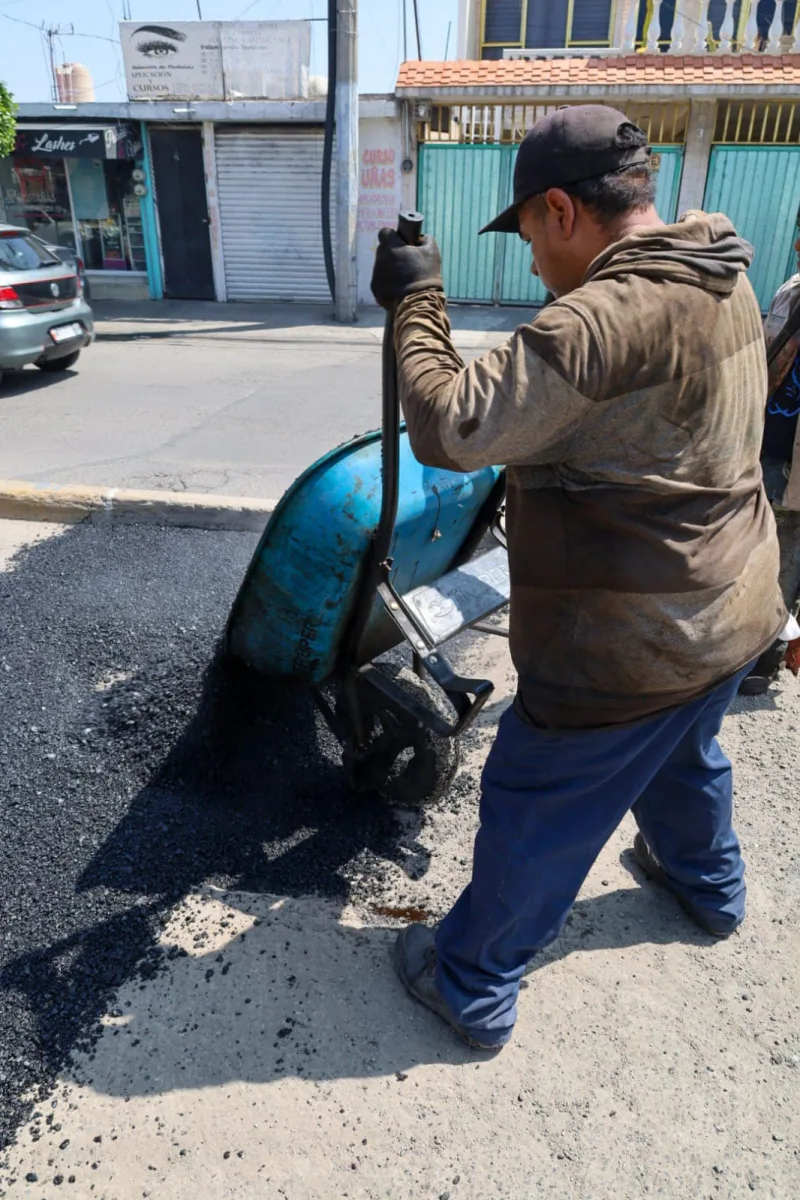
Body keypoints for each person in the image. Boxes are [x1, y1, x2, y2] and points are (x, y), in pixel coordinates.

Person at [370, 105, 787, 1052]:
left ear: (561, 209)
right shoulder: (716, 266)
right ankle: (707, 890)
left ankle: (470, 979)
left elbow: (451, 427)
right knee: (682, 754)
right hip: (734, 607)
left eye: (525, 233)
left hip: (630, 644)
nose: (527, 261)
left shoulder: (606, 318)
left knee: (539, 801)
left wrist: (418, 304)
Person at [738, 226, 800, 694]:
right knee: (761, 543)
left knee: (787, 553)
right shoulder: (790, 291)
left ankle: (767, 658)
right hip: (767, 440)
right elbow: (764, 354)